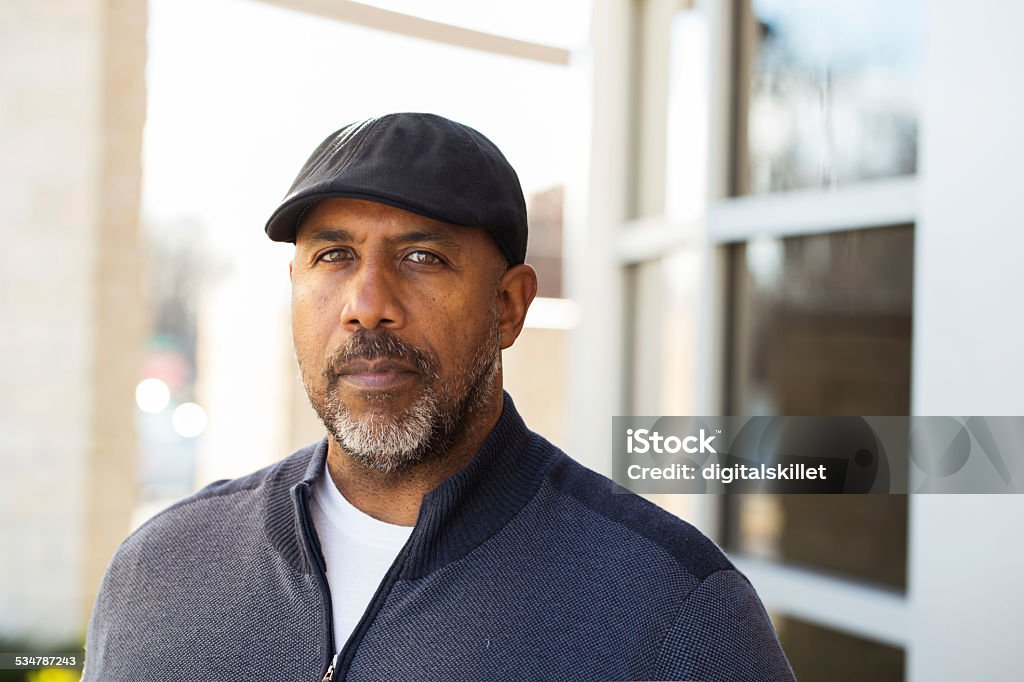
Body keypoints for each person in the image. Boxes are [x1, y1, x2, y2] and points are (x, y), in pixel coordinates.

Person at [83, 113, 795, 681]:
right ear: (295, 290)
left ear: (509, 307)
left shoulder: (672, 610)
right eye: (334, 256)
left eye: (423, 257)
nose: (367, 305)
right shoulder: (160, 569)